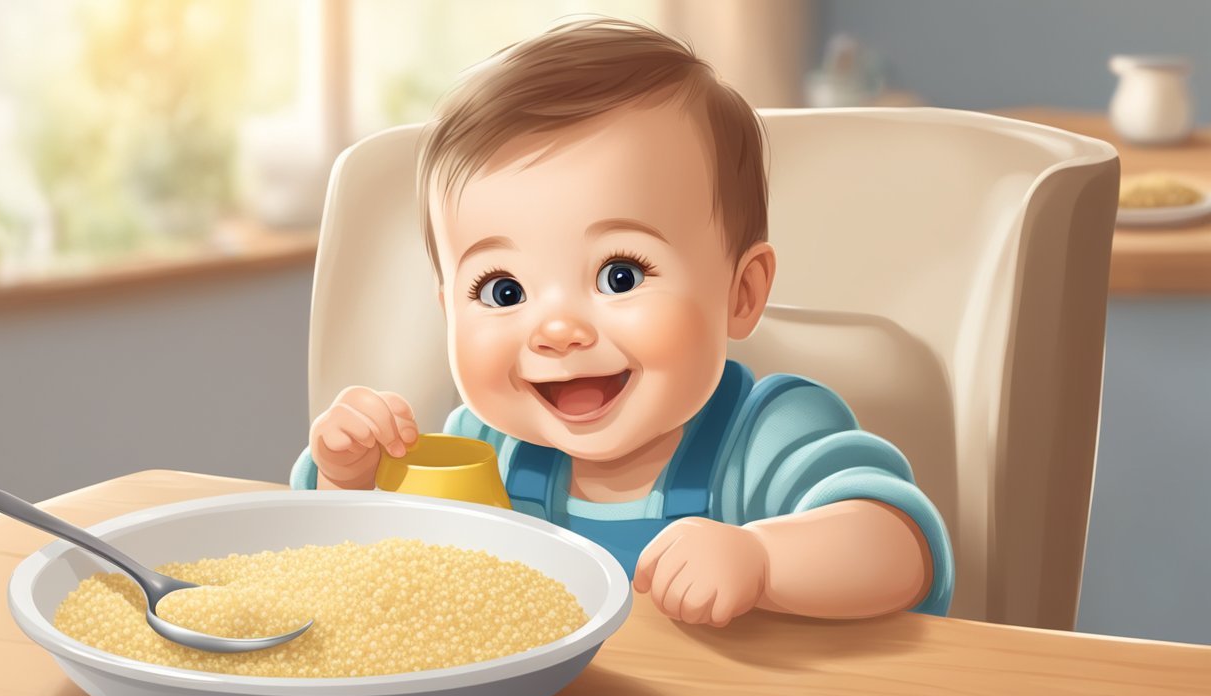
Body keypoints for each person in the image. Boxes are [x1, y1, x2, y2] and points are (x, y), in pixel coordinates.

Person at [291, 18, 953, 627]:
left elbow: (900, 545)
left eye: (620, 276)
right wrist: (348, 481)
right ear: (447, 310)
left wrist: (763, 560)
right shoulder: (481, 446)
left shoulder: (769, 435)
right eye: (502, 289)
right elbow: (360, 576)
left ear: (741, 293)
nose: (556, 330)